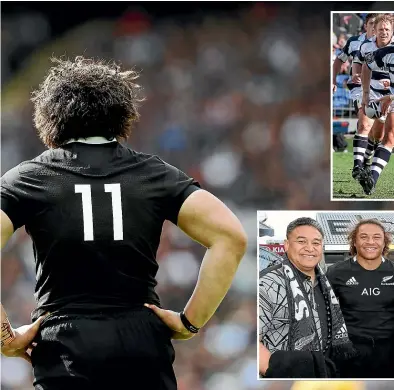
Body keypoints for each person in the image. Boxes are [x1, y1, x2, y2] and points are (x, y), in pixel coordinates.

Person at [0, 56, 248, 390]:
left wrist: (5, 337)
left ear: (49, 115)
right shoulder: (154, 174)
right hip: (141, 341)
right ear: (122, 115)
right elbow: (231, 237)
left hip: (65, 345)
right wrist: (190, 322)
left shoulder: (30, 178)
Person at [259, 217, 355, 379]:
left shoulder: (325, 283)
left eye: (316, 243)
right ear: (287, 245)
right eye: (301, 241)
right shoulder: (269, 284)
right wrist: (279, 370)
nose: (310, 248)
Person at [326, 219, 394, 378]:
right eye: (364, 237)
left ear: (385, 242)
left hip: (389, 353)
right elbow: (324, 312)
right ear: (354, 242)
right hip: (349, 354)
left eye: (377, 237)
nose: (370, 242)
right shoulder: (336, 272)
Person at [351, 13, 393, 185]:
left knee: (384, 136)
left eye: (387, 29)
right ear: (374, 30)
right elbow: (364, 65)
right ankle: (359, 168)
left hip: (389, 93)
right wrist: (365, 93)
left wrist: (389, 96)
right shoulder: (378, 50)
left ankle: (369, 170)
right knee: (364, 124)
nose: (383, 32)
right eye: (381, 29)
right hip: (373, 90)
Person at [360, 44, 394, 194]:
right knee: (389, 137)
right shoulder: (386, 53)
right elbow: (367, 64)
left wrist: (390, 97)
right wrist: (366, 93)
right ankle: (371, 180)